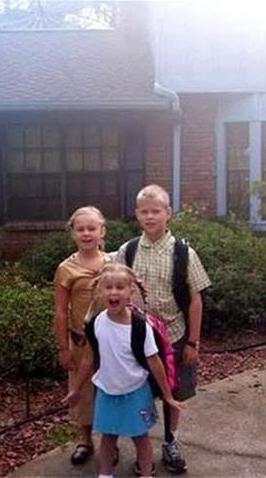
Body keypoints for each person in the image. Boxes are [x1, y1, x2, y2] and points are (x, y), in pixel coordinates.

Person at [115, 184, 211, 474]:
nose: (150, 217)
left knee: (174, 392)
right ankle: (143, 450)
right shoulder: (128, 251)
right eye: (144, 211)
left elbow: (195, 299)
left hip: (174, 336)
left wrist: (193, 342)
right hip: (137, 339)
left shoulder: (183, 252)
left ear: (168, 213)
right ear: (136, 214)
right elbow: (116, 290)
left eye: (156, 211)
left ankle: (171, 441)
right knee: (139, 394)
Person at [63, 263, 184, 478]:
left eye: (120, 287)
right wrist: (76, 389)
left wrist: (167, 396)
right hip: (107, 393)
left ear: (130, 291)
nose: (114, 292)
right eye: (108, 287)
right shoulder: (96, 324)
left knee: (141, 439)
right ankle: (105, 474)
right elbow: (89, 358)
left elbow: (155, 361)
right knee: (108, 438)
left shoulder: (140, 327)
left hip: (136, 393)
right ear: (99, 291)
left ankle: (146, 475)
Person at [54, 206, 111, 466]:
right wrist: (63, 348)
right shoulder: (66, 269)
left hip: (110, 341)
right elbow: (60, 311)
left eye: (92, 228)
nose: (86, 233)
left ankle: (110, 442)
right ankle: (85, 440)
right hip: (81, 341)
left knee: (110, 390)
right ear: (73, 234)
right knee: (83, 390)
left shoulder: (113, 263)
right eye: (81, 229)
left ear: (102, 232)